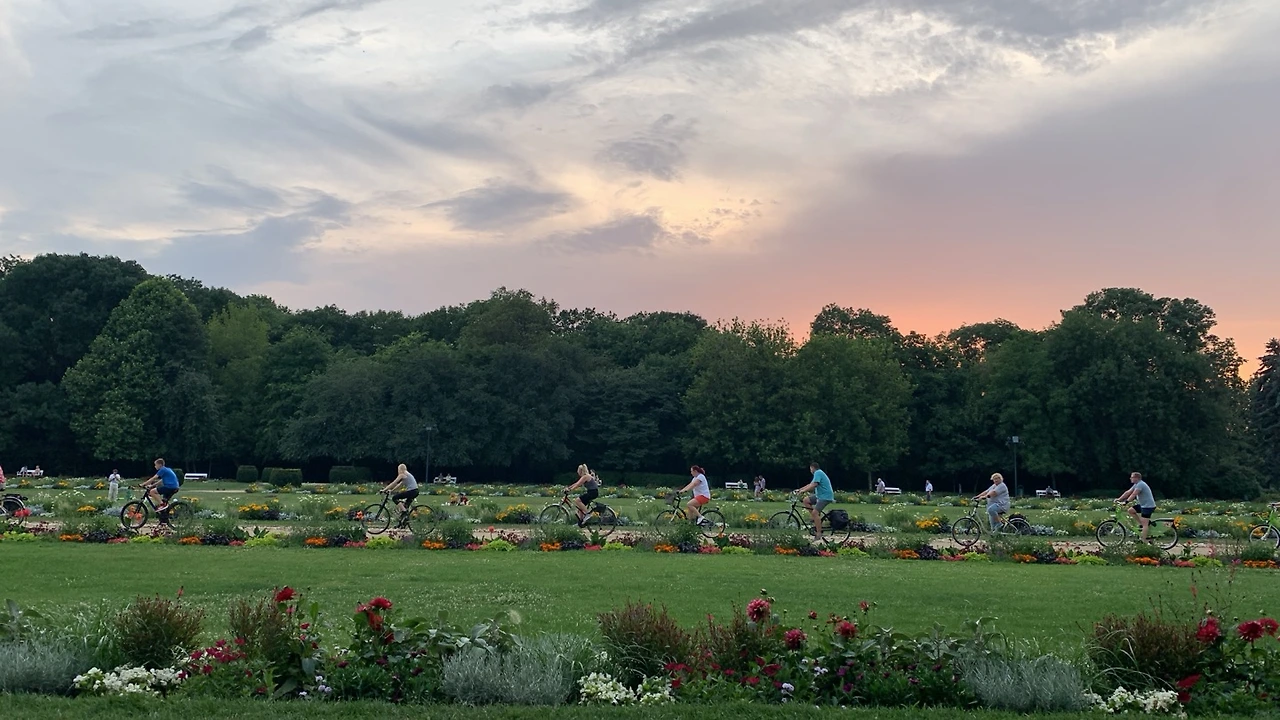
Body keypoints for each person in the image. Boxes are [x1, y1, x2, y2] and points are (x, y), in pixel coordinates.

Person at [796, 462, 836, 542]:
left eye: (810, 469)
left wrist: (803, 491)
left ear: (812, 468)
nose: (810, 471)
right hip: (819, 495)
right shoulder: (818, 473)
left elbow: (814, 485)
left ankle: (818, 533)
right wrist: (800, 489)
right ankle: (815, 518)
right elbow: (810, 484)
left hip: (825, 496)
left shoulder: (818, 473)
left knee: (815, 513)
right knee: (806, 500)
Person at [1116, 471, 1156, 542]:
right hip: (1143, 505)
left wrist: (1126, 502)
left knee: (1145, 524)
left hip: (1148, 506)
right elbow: (1128, 492)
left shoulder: (1140, 484)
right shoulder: (1137, 484)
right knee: (1131, 510)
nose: (1130, 478)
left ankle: (1143, 540)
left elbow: (1134, 494)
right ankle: (1142, 525)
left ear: (1137, 478)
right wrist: (1119, 499)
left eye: (1132, 477)